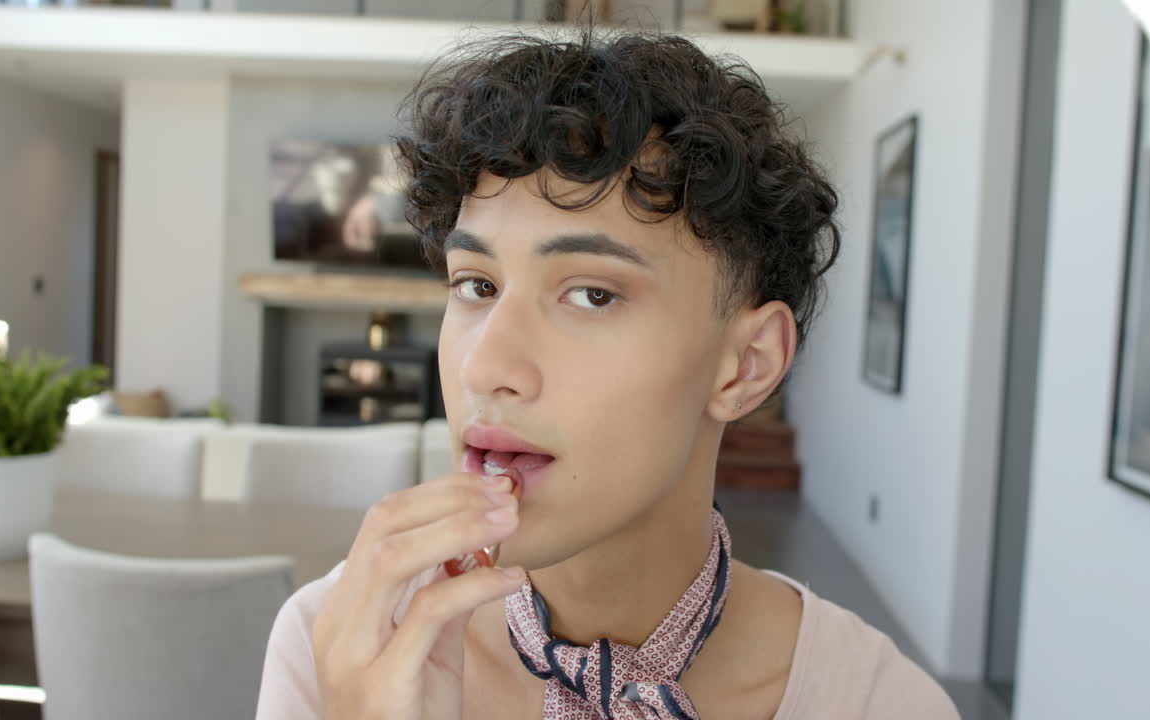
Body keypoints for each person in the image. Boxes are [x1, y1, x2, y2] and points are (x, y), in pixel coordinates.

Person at [255, 27, 959, 720]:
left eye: (592, 294)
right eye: (476, 285)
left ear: (746, 365)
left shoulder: (881, 704)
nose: (485, 365)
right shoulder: (337, 652)